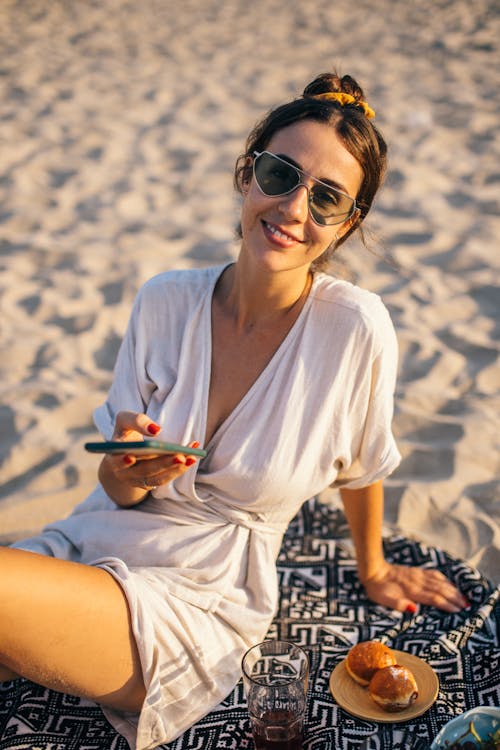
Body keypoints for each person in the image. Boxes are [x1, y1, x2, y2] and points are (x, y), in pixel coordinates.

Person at [0, 71, 469, 749]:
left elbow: (364, 463)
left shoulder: (354, 328)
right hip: (90, 541)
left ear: (349, 222)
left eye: (328, 197)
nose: (294, 210)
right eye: (281, 175)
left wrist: (372, 567)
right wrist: (131, 471)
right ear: (248, 175)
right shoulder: (164, 300)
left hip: (202, 591)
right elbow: (114, 489)